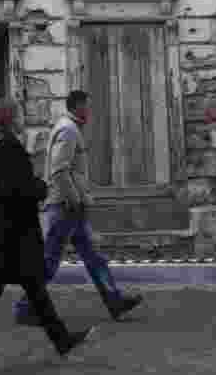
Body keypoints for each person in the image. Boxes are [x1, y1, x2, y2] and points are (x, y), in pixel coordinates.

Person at [0, 97, 93, 374]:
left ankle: (62, 340)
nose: (22, 119)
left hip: (6, 235)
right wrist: (40, 188)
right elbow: (17, 191)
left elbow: (8, 188)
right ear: (10, 119)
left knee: (34, 290)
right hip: (9, 237)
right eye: (18, 114)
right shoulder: (10, 148)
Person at [14, 90, 143, 326]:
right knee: (49, 262)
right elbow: (59, 171)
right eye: (87, 106)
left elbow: (70, 172)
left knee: (94, 258)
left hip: (70, 207)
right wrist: (74, 200)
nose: (89, 111)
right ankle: (25, 307)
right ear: (77, 106)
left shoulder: (69, 128)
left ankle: (114, 301)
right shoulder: (68, 130)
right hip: (65, 207)